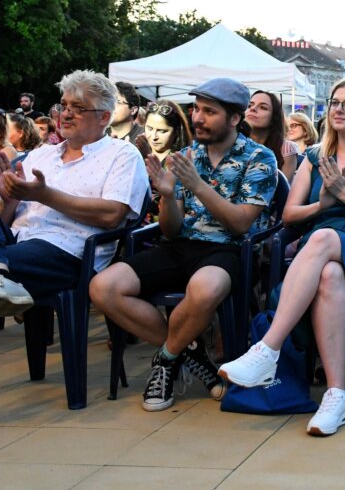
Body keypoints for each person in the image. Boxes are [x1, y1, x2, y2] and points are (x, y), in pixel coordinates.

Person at [0, 70, 149, 445]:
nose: (66, 114)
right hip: (14, 246)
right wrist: (9, 195)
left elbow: (113, 214)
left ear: (104, 116)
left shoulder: (122, 154)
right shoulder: (42, 154)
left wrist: (44, 196)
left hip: (69, 252)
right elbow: (1, 220)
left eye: (79, 108)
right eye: (64, 105)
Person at [218, 78, 345, 437]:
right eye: (334, 102)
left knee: (321, 238)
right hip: (324, 255)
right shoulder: (314, 157)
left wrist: (343, 195)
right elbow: (289, 215)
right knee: (329, 276)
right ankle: (337, 396)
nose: (338, 109)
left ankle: (268, 349)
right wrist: (323, 204)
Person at [90, 79, 276, 412]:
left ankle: (165, 360)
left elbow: (241, 223)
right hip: (180, 246)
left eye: (209, 111)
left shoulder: (260, 158)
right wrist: (166, 196)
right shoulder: (186, 155)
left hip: (228, 249)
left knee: (205, 290)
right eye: (196, 109)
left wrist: (197, 185)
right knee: (103, 287)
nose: (197, 118)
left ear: (234, 118)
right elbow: (171, 231)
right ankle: (186, 353)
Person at [246, 90, 299, 182]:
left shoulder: (285, 149)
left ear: (274, 117)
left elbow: (282, 191)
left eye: (263, 107)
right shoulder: (230, 142)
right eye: (249, 105)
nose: (253, 109)